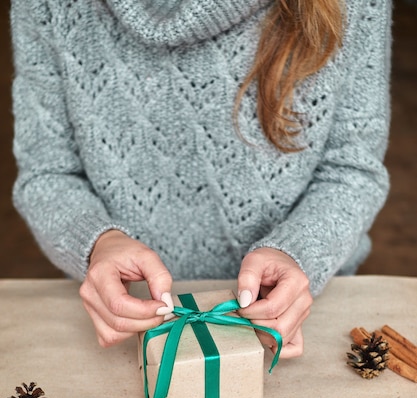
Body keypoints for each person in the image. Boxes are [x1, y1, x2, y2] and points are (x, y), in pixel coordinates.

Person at [10, 0, 391, 358]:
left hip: (297, 314)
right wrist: (97, 241)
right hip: (114, 323)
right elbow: (48, 173)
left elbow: (351, 168)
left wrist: (300, 250)